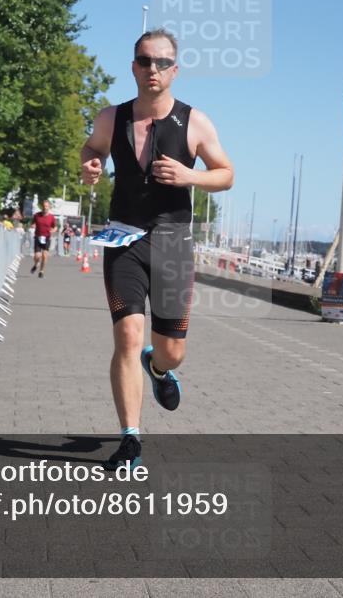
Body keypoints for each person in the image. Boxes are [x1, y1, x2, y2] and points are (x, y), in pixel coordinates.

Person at [80, 28, 234, 470]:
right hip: (123, 239)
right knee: (128, 335)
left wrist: (191, 178)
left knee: (171, 350)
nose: (154, 70)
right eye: (146, 61)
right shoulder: (112, 117)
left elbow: (226, 173)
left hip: (172, 243)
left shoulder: (195, 121)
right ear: (133, 66)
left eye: (163, 62)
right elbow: (92, 148)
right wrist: (90, 162)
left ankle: (161, 369)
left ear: (175, 70)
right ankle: (130, 440)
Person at [30, 200, 57, 277]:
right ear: (42, 207)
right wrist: (33, 225)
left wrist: (54, 230)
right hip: (38, 237)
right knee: (37, 256)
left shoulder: (51, 217)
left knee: (45, 256)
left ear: (49, 207)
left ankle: (41, 271)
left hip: (47, 238)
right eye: (44, 206)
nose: (45, 208)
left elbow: (55, 227)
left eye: (46, 206)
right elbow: (32, 223)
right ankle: (36, 264)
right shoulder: (37, 215)